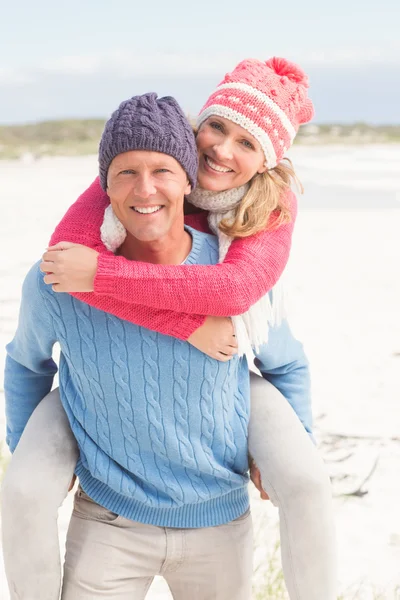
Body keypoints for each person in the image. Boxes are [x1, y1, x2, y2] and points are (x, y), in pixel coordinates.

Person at [2, 58, 336, 599]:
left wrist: (278, 452)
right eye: (125, 174)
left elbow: (285, 361)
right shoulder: (64, 275)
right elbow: (24, 363)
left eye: (162, 171)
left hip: (217, 519)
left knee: (306, 481)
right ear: (103, 184)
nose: (145, 189)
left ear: (186, 180)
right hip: (109, 520)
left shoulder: (243, 267)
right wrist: (34, 453)